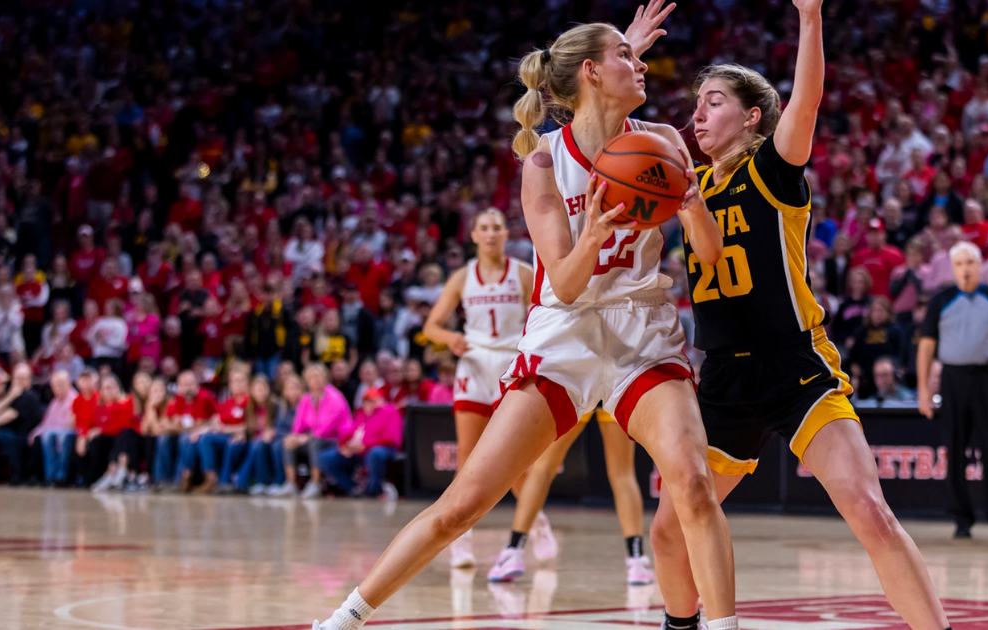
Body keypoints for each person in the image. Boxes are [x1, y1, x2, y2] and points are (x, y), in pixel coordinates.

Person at [312, 7, 741, 629]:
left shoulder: (666, 143)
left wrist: (695, 204)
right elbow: (564, 286)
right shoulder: (543, 161)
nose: (642, 64)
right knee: (462, 506)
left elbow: (707, 255)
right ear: (592, 72)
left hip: (642, 330)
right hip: (563, 333)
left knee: (694, 486)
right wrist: (593, 232)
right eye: (626, 55)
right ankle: (341, 621)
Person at [655, 6, 950, 630]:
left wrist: (810, 17)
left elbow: (808, 102)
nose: (697, 116)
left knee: (870, 511)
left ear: (752, 115)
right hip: (724, 380)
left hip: (796, 364)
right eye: (696, 105)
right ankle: (680, 625)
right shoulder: (688, 188)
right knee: (669, 532)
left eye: (713, 103)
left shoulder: (771, 170)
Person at [422, 208, 534, 567]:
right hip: (473, 363)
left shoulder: (523, 273)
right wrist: (450, 338)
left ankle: (535, 521)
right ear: (473, 235)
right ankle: (461, 540)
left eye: (496, 228)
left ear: (505, 234)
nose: (489, 234)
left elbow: (546, 314)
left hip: (510, 363)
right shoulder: (460, 278)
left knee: (515, 459)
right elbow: (431, 327)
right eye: (483, 228)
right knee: (467, 458)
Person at [918, 241, 988, 539]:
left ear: (980, 265)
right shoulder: (940, 301)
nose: (965, 269)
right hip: (953, 380)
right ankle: (961, 519)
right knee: (953, 450)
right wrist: (923, 391)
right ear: (952, 269)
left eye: (970, 263)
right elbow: (927, 347)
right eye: (959, 264)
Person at [488, 407, 653, 586]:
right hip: (611, 386)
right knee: (623, 474)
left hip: (582, 386)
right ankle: (636, 560)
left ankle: (514, 550)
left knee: (543, 468)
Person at [283, 363, 355, 499]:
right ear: (307, 381)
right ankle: (290, 484)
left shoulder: (334, 397)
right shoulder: (306, 399)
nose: (316, 380)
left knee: (314, 442)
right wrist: (294, 437)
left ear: (325, 378)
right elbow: (298, 425)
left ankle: (315, 484)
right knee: (289, 443)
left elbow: (325, 429)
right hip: (315, 438)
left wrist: (303, 438)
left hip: (337, 440)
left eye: (319, 376)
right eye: (312, 377)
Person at [316, 387, 402, 499]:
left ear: (381, 400)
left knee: (375, 453)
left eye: (374, 400)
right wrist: (344, 446)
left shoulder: (390, 412)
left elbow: (390, 439)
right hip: (357, 451)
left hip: (381, 448)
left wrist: (365, 446)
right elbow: (348, 433)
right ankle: (354, 489)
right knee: (325, 458)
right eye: (367, 400)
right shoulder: (361, 415)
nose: (370, 404)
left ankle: (373, 492)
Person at [0, 364, 44, 484]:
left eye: (23, 378)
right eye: (17, 378)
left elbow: (11, 414)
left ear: (29, 380)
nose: (19, 382)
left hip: (21, 435)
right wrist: (10, 396)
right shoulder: (13, 394)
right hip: (10, 432)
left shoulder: (28, 395)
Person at [196, 366, 252, 494]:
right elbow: (216, 421)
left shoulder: (250, 401)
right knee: (205, 438)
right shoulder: (228, 402)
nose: (237, 384)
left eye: (240, 381)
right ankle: (211, 478)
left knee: (232, 444)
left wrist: (226, 429)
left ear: (247, 383)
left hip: (244, 438)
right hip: (228, 435)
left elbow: (249, 425)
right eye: (234, 381)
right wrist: (203, 429)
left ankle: (225, 482)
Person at [82, 375, 141, 491]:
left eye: (113, 387)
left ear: (119, 387)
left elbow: (124, 425)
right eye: (106, 388)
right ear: (101, 391)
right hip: (111, 438)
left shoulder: (128, 401)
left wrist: (101, 430)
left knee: (124, 434)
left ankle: (114, 471)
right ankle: (99, 477)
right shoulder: (99, 406)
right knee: (96, 441)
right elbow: (87, 423)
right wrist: (83, 434)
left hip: (128, 437)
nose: (110, 391)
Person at [163, 370, 218, 491]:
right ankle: (162, 479)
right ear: (179, 386)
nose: (188, 388)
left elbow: (201, 424)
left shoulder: (204, 397)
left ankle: (182, 478)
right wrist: (179, 426)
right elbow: (167, 422)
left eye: (191, 384)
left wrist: (178, 426)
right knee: (163, 439)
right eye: (185, 384)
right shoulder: (179, 399)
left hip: (207, 432)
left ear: (197, 384)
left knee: (186, 438)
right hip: (188, 434)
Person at [31, 370, 78, 486]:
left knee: (52, 436)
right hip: (53, 434)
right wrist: (34, 433)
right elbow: (46, 423)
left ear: (69, 384)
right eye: (55, 386)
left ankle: (61, 476)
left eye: (60, 385)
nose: (58, 389)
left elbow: (71, 425)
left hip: (70, 433)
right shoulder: (54, 402)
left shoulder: (75, 399)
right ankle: (49, 477)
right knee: (42, 436)